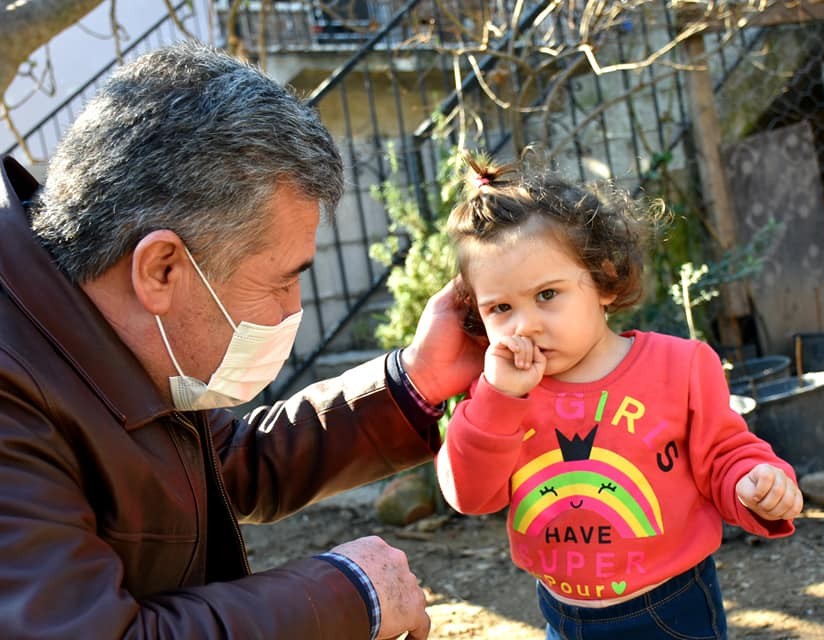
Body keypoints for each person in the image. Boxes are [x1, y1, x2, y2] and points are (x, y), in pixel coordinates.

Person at [0, 42, 484, 639]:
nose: (292, 309)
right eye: (282, 281)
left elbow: (227, 464)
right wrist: (346, 594)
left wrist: (415, 380)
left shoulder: (102, 332)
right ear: (161, 269)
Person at [435, 154, 804, 640]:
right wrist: (497, 397)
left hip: (672, 606)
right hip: (563, 615)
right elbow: (470, 496)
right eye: (500, 307)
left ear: (604, 279)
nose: (525, 325)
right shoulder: (497, 395)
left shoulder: (680, 366)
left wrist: (752, 481)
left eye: (547, 295)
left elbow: (723, 454)